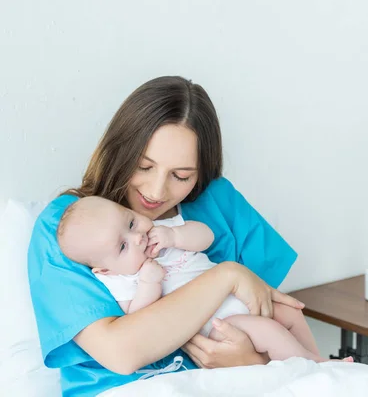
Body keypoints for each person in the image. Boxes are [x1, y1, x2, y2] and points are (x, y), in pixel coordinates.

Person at [28, 76, 306, 397]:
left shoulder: (218, 201)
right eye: (144, 167)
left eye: (181, 175)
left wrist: (252, 360)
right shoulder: (70, 226)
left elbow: (272, 315)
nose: (156, 192)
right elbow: (122, 353)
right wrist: (227, 275)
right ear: (120, 151)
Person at [56, 196, 346, 363]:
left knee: (289, 312)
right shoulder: (122, 279)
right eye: (122, 246)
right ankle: (315, 368)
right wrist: (149, 283)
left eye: (131, 222)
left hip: (237, 298)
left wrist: (175, 235)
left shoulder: (161, 230)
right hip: (217, 324)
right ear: (104, 270)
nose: (137, 237)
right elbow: (137, 316)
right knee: (268, 331)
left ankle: (314, 356)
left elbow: (205, 236)